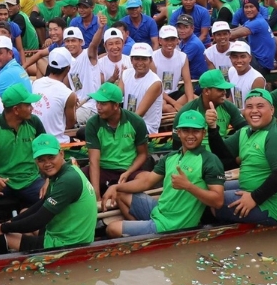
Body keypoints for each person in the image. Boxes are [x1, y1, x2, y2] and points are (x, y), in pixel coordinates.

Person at [103, 109, 225, 237]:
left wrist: (188, 186)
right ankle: (145, 235)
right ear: (178, 132)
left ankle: (147, 233)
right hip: (159, 210)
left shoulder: (210, 160)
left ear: (203, 132)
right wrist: (116, 187)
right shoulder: (171, 157)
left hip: (173, 225)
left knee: (112, 228)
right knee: (121, 193)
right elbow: (146, 182)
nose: (190, 135)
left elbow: (218, 201)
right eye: (185, 131)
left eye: (195, 131)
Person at [210, 89, 277, 226]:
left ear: (272, 109)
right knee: (211, 186)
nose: (254, 111)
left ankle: (218, 228)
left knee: (210, 199)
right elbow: (221, 156)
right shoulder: (245, 131)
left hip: (272, 206)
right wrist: (212, 128)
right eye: (249, 107)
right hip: (250, 187)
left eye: (260, 106)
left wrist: (253, 198)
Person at [0, 134, 97, 250]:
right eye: (41, 160)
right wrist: (10, 222)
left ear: (61, 154)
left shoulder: (68, 181)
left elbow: (38, 220)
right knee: (24, 213)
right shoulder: (67, 170)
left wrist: (3, 228)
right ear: (35, 161)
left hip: (69, 244)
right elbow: (41, 204)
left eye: (51, 157)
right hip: (65, 232)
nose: (47, 164)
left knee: (3, 237)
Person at [82, 82, 150, 199]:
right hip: (103, 170)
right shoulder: (93, 124)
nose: (98, 107)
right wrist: (96, 195)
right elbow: (94, 161)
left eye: (103, 103)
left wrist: (128, 172)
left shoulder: (136, 122)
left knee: (147, 178)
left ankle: (119, 190)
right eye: (97, 102)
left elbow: (143, 154)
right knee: (76, 177)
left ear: (116, 105)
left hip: (128, 170)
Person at [31, 48, 77, 143]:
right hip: (55, 143)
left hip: (34, 139)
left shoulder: (36, 83)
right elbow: (70, 124)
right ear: (68, 68)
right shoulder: (68, 94)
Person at [119, 43, 163, 133]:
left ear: (150, 60)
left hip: (145, 127)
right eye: (137, 59)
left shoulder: (155, 82)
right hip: (127, 123)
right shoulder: (125, 74)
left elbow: (138, 115)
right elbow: (116, 98)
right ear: (131, 60)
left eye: (144, 59)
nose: (140, 63)